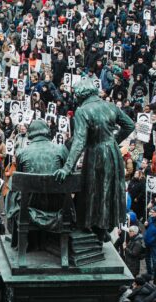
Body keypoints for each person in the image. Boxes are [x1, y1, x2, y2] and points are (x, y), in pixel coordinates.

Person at [53, 78, 135, 241]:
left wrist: (67, 168)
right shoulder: (110, 106)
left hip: (96, 153)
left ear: (81, 94)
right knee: (106, 189)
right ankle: (102, 227)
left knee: (93, 189)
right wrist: (114, 141)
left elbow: (79, 141)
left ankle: (92, 224)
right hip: (112, 152)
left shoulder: (83, 111)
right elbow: (130, 125)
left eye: (76, 95)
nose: (75, 98)